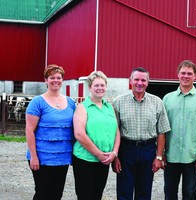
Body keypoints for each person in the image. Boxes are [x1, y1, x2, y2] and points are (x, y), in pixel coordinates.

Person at [112, 67, 171, 200]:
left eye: (143, 80)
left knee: (144, 192)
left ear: (148, 82)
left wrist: (159, 157)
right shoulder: (118, 102)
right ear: (130, 80)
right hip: (126, 150)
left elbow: (162, 132)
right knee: (124, 192)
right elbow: (114, 132)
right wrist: (115, 156)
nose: (140, 83)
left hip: (148, 150)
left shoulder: (157, 102)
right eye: (137, 79)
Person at [163, 60, 196, 200]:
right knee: (169, 194)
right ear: (177, 75)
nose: (186, 76)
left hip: (192, 156)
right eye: (183, 73)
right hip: (170, 156)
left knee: (190, 194)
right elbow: (161, 129)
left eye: (189, 73)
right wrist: (160, 153)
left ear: (195, 76)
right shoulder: (167, 99)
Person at [25, 64, 76, 200]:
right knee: (43, 193)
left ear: (62, 80)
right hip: (42, 158)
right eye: (52, 77)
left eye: (59, 77)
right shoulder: (37, 102)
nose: (56, 80)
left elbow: (76, 129)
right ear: (46, 80)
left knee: (57, 194)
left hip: (62, 158)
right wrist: (34, 156)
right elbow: (29, 130)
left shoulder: (71, 102)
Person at [72, 71, 120, 200]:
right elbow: (79, 134)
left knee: (97, 194)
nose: (100, 88)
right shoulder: (82, 107)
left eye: (102, 85)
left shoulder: (109, 107)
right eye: (96, 85)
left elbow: (117, 131)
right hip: (85, 159)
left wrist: (114, 153)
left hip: (104, 160)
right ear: (90, 88)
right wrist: (98, 154)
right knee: (85, 195)